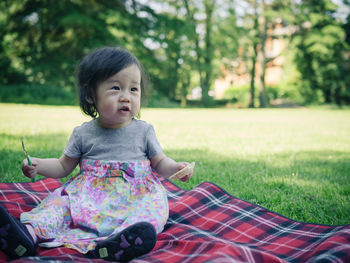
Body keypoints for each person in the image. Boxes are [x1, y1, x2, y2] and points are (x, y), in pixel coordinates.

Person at [0, 47, 193, 262]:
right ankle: (25, 235)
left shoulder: (144, 131)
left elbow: (160, 162)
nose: (126, 97)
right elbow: (63, 166)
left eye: (133, 89)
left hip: (134, 197)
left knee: (153, 209)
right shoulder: (83, 133)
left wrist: (175, 167)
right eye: (116, 88)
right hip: (87, 199)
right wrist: (38, 164)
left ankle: (120, 242)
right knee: (58, 207)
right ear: (91, 95)